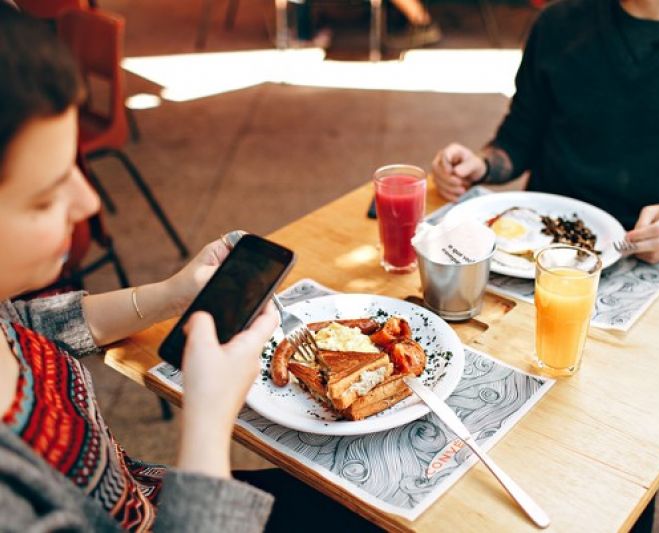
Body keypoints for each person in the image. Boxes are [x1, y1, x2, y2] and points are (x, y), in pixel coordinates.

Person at [0, 6, 378, 532]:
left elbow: (27, 323)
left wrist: (171, 294)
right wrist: (207, 418)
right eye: (44, 197)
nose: (89, 202)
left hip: (149, 490)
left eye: (74, 168)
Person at [432, 0, 659, 264]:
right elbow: (518, 139)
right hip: (540, 244)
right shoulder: (558, 22)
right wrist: (482, 165)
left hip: (648, 256)